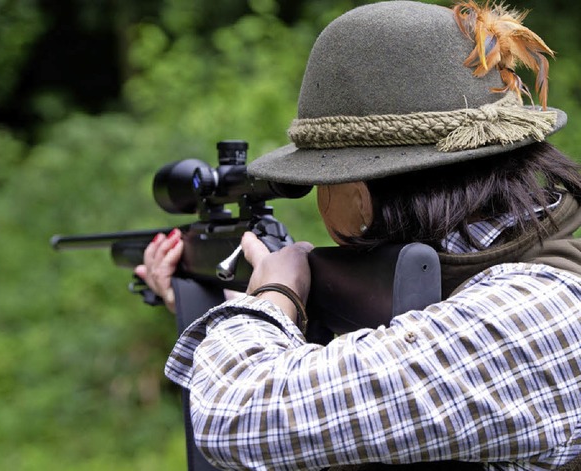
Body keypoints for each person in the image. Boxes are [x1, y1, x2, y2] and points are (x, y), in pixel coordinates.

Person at [135, 1, 581, 470]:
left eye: (322, 180)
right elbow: (365, 396)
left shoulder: (537, 313)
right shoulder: (482, 306)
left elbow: (234, 417)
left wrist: (271, 294)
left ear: (358, 198)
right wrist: (224, 308)